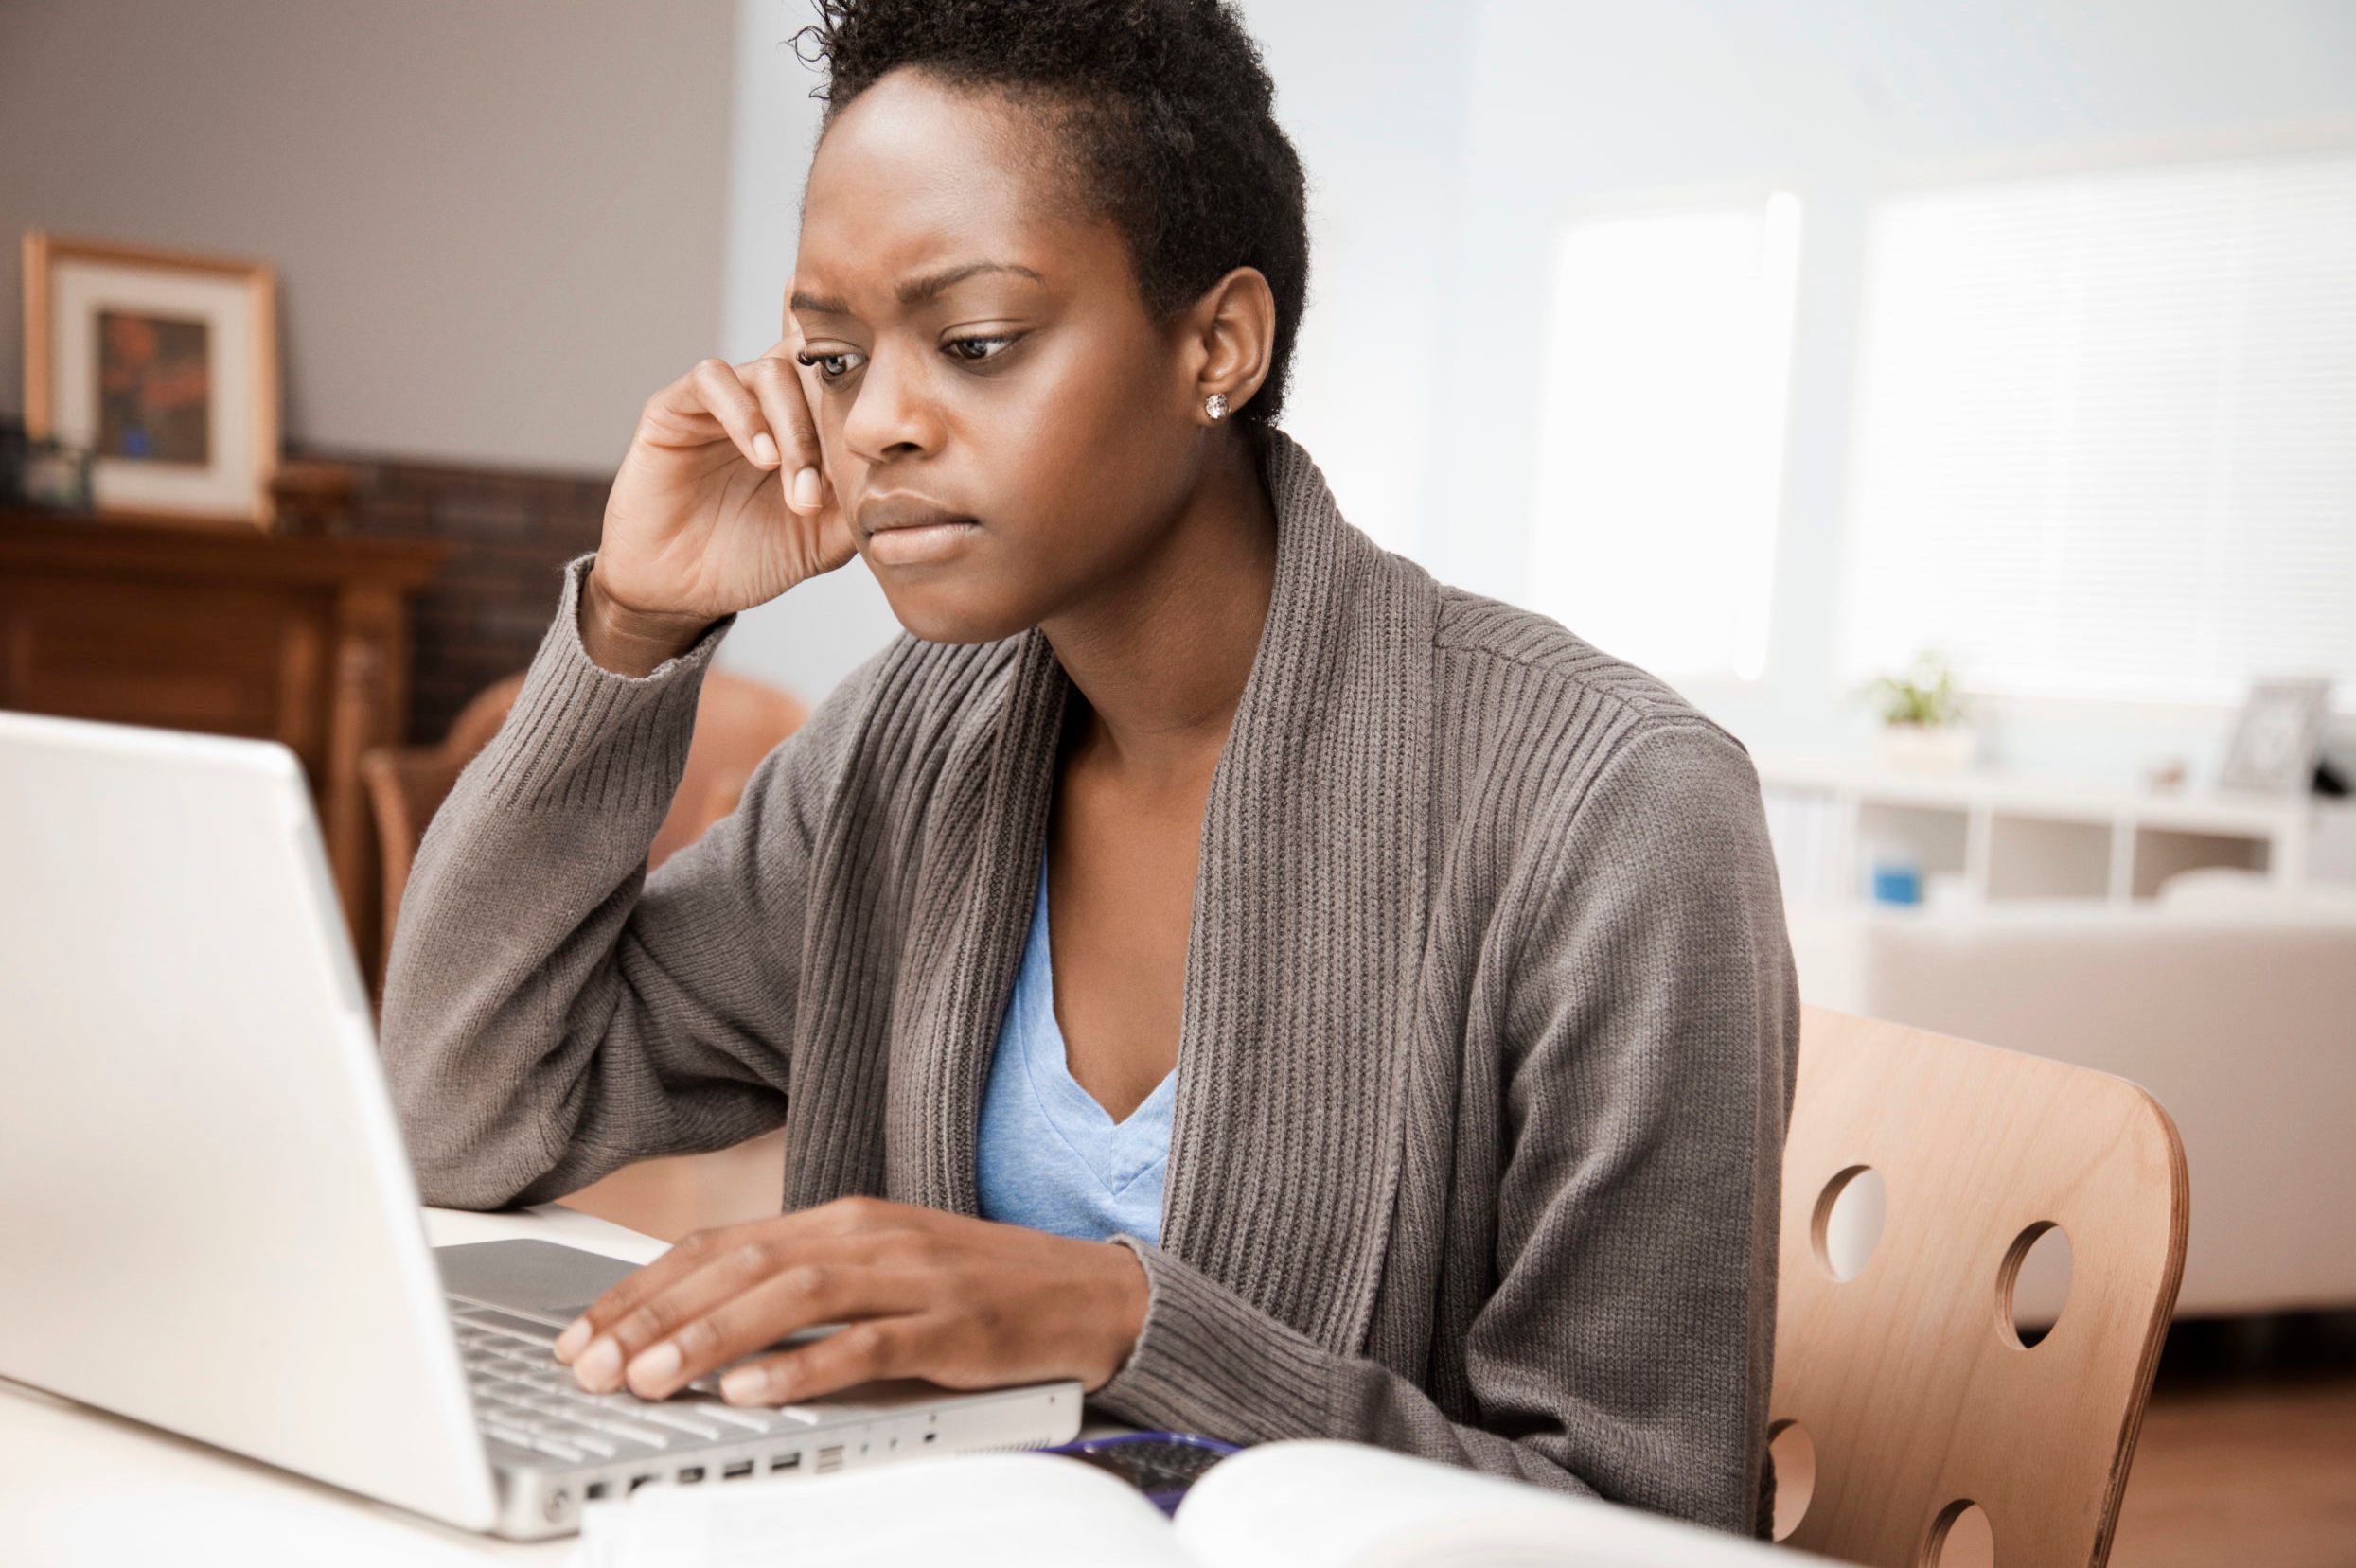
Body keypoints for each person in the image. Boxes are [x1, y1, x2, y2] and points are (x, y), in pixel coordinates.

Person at [379, 0, 1799, 1539]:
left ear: (1218, 344)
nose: (881, 425)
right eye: (832, 358)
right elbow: (466, 1117)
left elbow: (1647, 1521)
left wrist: (1122, 1323)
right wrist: (636, 620)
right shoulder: (900, 749)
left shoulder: (1611, 807)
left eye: (975, 343)